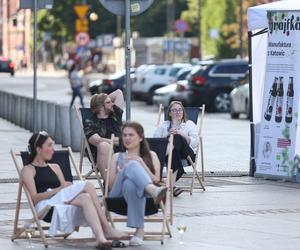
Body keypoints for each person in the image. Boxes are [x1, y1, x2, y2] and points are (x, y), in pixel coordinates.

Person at [21, 131, 128, 249]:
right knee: (87, 185)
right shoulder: (28, 170)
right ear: (38, 149)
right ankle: (107, 228)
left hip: (61, 202)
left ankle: (100, 238)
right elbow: (34, 198)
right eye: (49, 145)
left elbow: (63, 191)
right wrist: (59, 189)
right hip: (46, 207)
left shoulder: (55, 167)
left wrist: (68, 188)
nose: (53, 149)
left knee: (85, 197)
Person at [108, 122, 168, 246]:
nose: (127, 138)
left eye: (131, 135)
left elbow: (157, 180)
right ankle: (140, 231)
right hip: (118, 195)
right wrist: (122, 173)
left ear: (140, 137)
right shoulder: (116, 156)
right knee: (131, 166)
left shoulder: (151, 155)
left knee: (131, 184)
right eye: (124, 135)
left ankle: (139, 232)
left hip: (143, 195)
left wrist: (142, 164)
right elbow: (110, 186)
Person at [154, 101, 199, 197]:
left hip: (187, 153)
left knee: (177, 137)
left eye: (180, 110)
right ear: (169, 113)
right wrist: (167, 134)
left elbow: (195, 143)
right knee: (173, 151)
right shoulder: (164, 125)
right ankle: (172, 186)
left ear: (183, 112)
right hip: (172, 154)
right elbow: (156, 141)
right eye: (174, 110)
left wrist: (181, 134)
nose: (177, 112)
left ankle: (164, 179)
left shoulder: (189, 124)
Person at [83, 89, 124, 181]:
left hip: (121, 150)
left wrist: (102, 98)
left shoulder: (115, 114)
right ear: (101, 107)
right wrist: (120, 141)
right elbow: (97, 140)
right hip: (102, 153)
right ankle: (109, 185)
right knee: (103, 145)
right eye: (108, 102)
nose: (112, 103)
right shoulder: (90, 122)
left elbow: (118, 93)